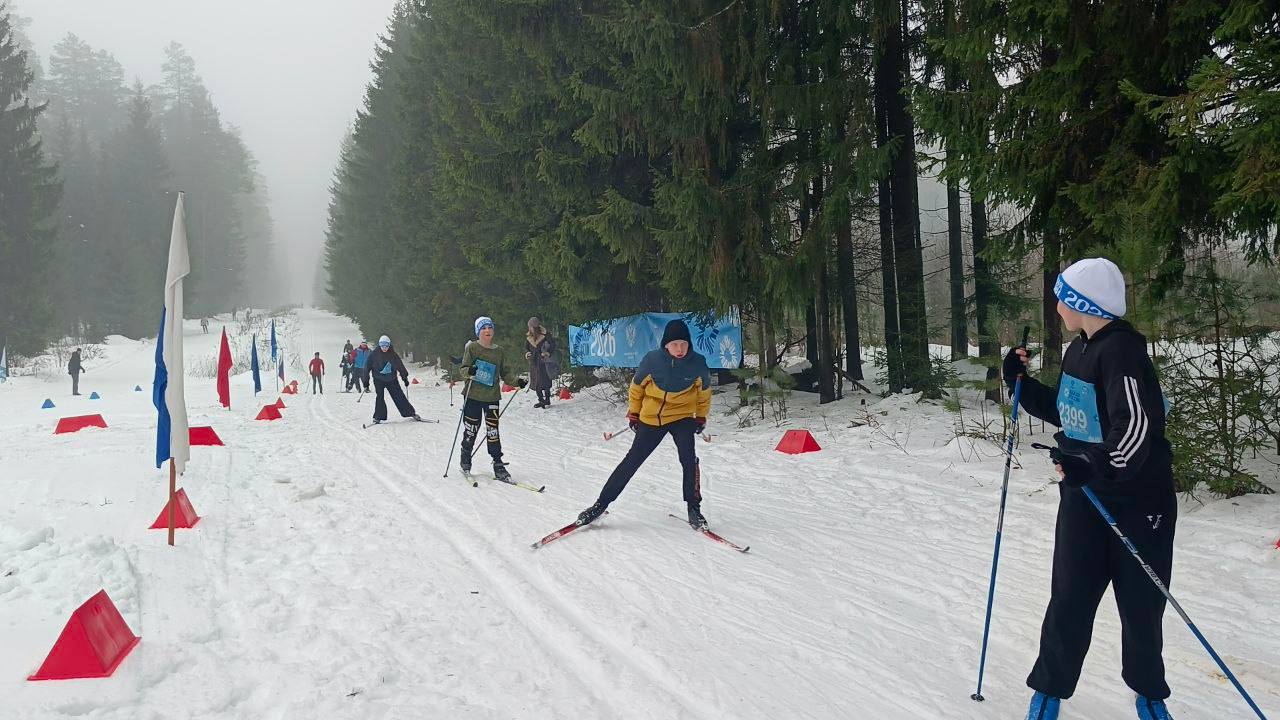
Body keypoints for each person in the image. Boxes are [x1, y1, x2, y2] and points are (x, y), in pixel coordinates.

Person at [1002, 258, 1177, 720]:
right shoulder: (1079, 349)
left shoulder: (1122, 351)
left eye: (1063, 296)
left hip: (1139, 501)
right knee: (1070, 597)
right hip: (1085, 495)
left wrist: (1094, 463)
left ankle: (1149, 695)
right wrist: (1019, 384)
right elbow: (1071, 415)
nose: (1057, 304)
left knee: (1141, 607)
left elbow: (1136, 427)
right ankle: (1049, 690)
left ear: (1082, 302)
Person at [576, 319, 711, 529]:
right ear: (666, 344)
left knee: (689, 459)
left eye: (684, 344)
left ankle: (694, 508)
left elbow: (704, 393)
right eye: (675, 344)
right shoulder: (652, 360)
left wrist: (701, 417)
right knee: (632, 460)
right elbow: (636, 389)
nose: (680, 349)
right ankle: (600, 504)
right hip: (653, 417)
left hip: (682, 416)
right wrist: (634, 414)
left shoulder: (698, 362)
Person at [458, 316, 526, 480]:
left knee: (493, 431)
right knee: (471, 429)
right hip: (473, 396)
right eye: (483, 328)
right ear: (478, 332)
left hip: (492, 397)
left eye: (490, 327)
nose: (487, 331)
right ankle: (465, 459)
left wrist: (517, 381)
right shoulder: (472, 348)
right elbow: (464, 368)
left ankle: (498, 463)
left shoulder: (499, 351)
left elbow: (506, 373)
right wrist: (470, 372)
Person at [366, 335, 419, 423]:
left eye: (386, 345)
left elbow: (400, 365)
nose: (384, 348)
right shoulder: (374, 354)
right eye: (382, 345)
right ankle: (378, 417)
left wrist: (404, 377)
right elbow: (366, 367)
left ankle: (410, 413)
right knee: (380, 397)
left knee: (399, 396)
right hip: (378, 379)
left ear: (389, 345)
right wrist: (365, 381)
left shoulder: (392, 354)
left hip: (392, 379)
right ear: (379, 345)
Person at [525, 317, 559, 408]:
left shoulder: (546, 335)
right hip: (534, 363)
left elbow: (552, 344)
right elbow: (526, 348)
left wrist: (547, 353)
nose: (529, 328)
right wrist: (527, 353)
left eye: (530, 326)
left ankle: (547, 400)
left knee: (545, 382)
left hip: (544, 362)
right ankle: (541, 400)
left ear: (534, 327)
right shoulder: (529, 337)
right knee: (536, 383)